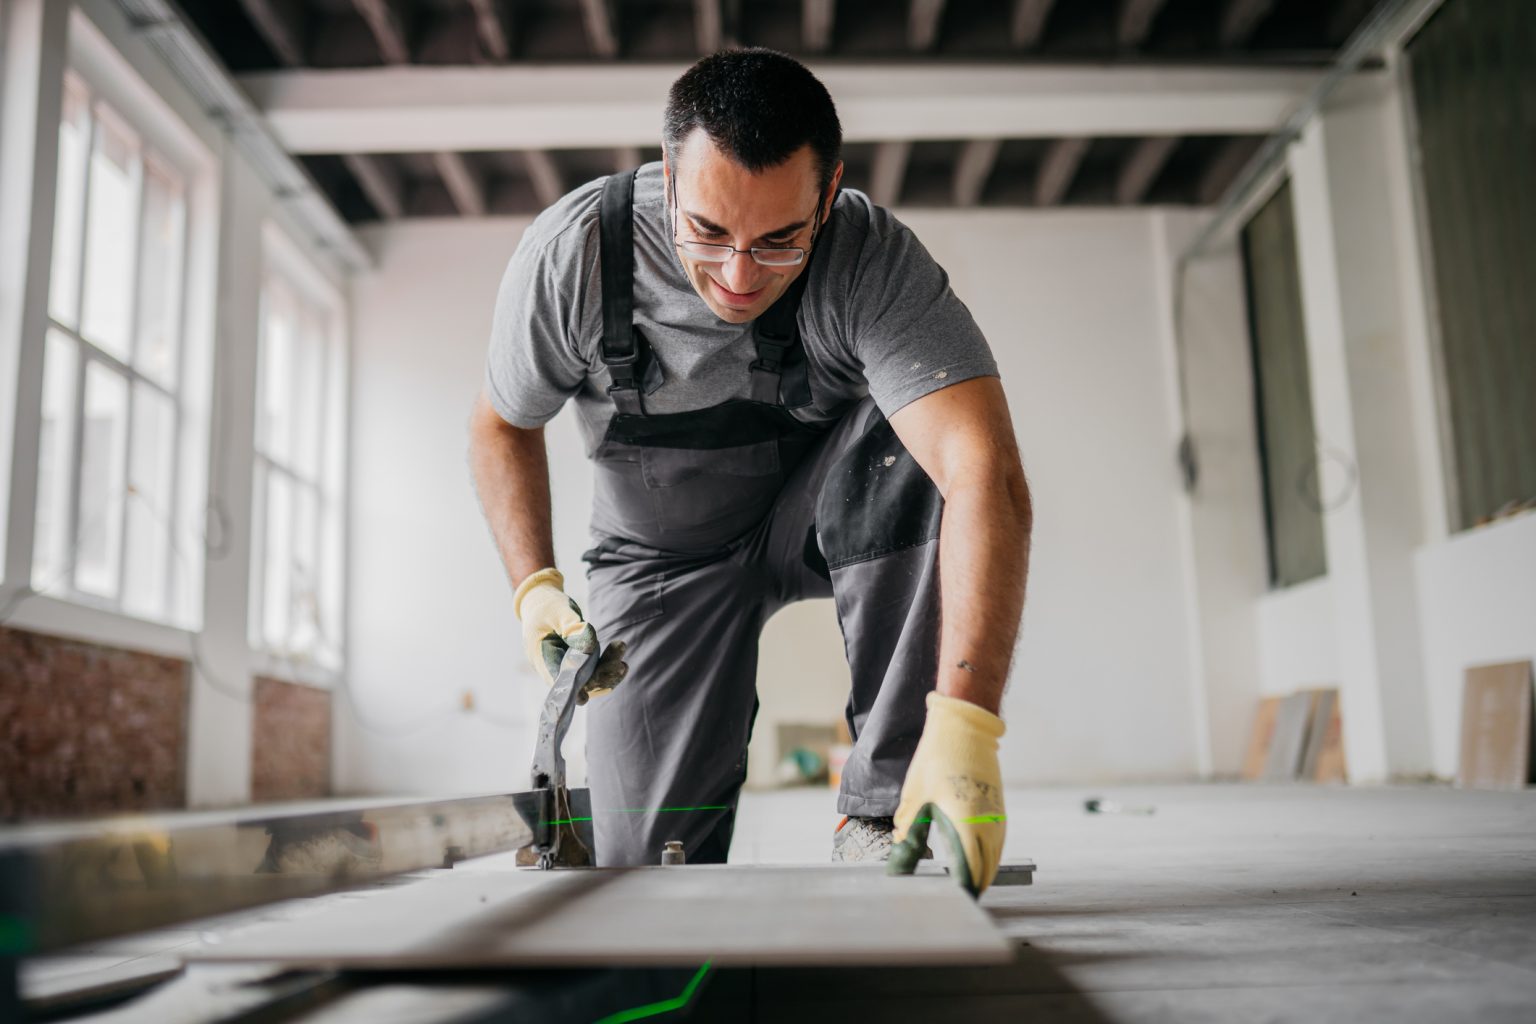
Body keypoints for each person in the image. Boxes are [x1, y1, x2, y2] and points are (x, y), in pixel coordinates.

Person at [469, 48, 1031, 894]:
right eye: (708, 232)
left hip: (819, 518)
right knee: (648, 873)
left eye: (778, 241)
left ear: (827, 192)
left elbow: (985, 473)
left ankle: (884, 808)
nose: (738, 278)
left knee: (921, 439)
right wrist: (533, 587)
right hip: (657, 562)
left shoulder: (870, 261)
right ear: (669, 173)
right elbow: (500, 426)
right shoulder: (575, 254)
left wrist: (967, 726)